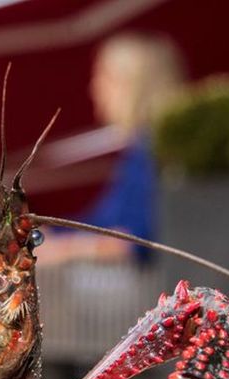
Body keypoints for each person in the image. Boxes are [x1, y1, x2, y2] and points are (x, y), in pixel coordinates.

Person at [36, 34, 184, 265]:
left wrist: (66, 248)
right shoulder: (140, 149)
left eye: (102, 77)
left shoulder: (154, 151)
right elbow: (98, 222)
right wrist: (40, 229)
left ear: (130, 84)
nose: (93, 88)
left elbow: (138, 237)